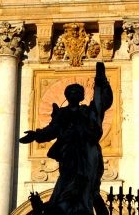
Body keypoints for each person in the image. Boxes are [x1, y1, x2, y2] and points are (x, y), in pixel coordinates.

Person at [19, 61, 113, 215]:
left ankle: (82, 204)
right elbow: (52, 130)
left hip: (87, 152)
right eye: (72, 91)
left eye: (78, 91)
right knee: (68, 178)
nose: (75, 93)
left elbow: (103, 103)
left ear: (82, 95)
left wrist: (102, 82)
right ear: (67, 96)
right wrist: (36, 135)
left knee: (86, 181)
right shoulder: (62, 114)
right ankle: (66, 204)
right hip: (68, 152)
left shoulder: (89, 112)